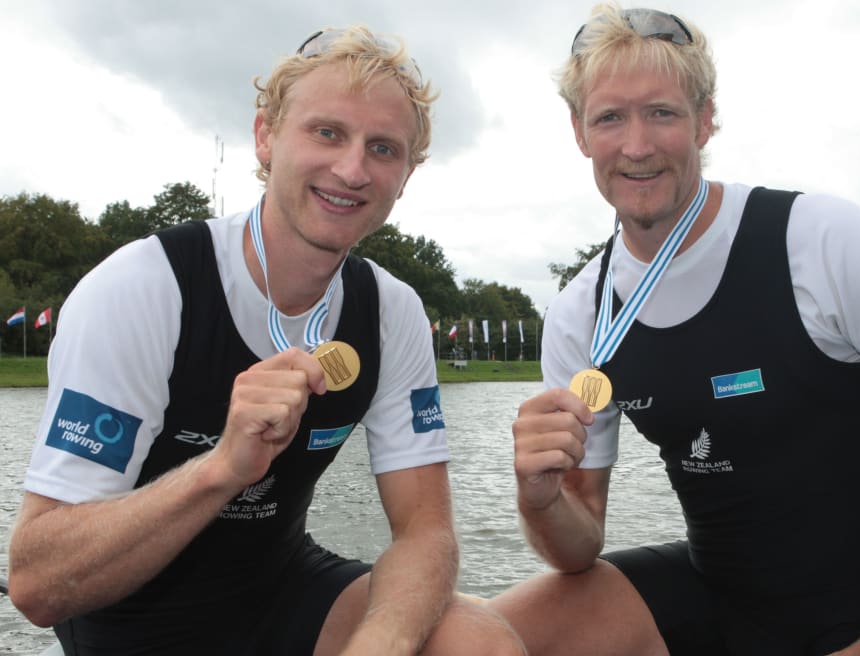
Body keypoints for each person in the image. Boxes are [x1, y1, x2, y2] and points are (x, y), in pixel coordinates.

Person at [489, 4, 860, 655]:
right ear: (580, 132)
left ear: (705, 119)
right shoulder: (578, 312)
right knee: (464, 636)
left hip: (859, 622)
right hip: (707, 600)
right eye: (610, 116)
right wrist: (538, 498)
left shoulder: (823, 239)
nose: (636, 144)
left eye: (662, 113)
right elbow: (579, 544)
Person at [8, 25, 522, 656]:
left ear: (407, 175)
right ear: (266, 135)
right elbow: (36, 584)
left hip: (281, 589)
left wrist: (381, 642)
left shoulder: (393, 310)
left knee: (476, 640)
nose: (352, 169)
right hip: (132, 624)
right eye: (327, 132)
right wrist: (222, 468)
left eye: (383, 148)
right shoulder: (143, 287)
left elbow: (425, 529)